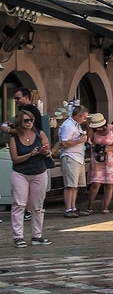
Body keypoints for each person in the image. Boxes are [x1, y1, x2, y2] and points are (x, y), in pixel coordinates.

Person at [9, 106, 51, 247]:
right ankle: (18, 237)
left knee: (37, 206)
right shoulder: (14, 139)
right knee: (19, 204)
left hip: (39, 172)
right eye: (26, 120)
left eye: (31, 120)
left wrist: (44, 151)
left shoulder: (40, 133)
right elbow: (15, 159)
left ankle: (36, 235)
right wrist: (30, 154)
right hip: (20, 173)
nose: (29, 123)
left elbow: (47, 150)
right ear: (20, 122)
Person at [84, 112, 113, 215]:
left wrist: (107, 148)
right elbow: (89, 141)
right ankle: (90, 206)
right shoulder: (93, 130)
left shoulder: (112, 129)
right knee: (96, 183)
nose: (98, 130)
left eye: (99, 127)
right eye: (96, 128)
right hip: (97, 158)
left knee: (108, 184)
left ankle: (105, 207)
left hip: (110, 158)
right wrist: (93, 146)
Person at [57, 104, 88, 218]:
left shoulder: (77, 125)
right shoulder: (68, 125)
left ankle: (73, 207)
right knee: (70, 185)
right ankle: (68, 208)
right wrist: (79, 141)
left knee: (75, 185)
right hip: (70, 156)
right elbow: (64, 143)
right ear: (78, 116)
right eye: (84, 117)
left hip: (78, 157)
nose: (84, 119)